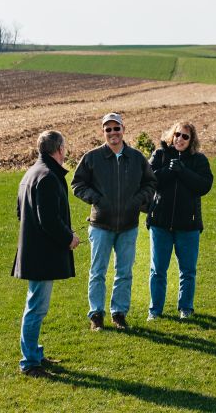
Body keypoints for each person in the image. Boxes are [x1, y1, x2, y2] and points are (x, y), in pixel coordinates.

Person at [72, 112, 156, 331]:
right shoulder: (92, 157)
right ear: (103, 132)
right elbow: (78, 184)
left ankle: (119, 313)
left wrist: (137, 201)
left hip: (128, 225)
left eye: (116, 128)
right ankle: (96, 315)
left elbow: (150, 184)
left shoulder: (137, 158)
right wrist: (97, 200)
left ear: (123, 129)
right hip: (100, 225)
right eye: (108, 129)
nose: (112, 133)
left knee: (124, 271)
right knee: (97, 271)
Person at [12, 130, 80, 377]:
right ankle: (29, 361)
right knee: (36, 307)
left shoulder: (31, 173)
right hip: (42, 255)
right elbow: (49, 221)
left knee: (36, 304)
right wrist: (69, 238)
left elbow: (21, 214)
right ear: (59, 149)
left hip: (33, 251)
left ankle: (34, 353)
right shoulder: (49, 177)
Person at [146, 121, 214, 320]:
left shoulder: (199, 160)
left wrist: (183, 171)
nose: (180, 139)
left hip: (188, 224)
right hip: (160, 222)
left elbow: (204, 185)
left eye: (185, 136)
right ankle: (155, 311)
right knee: (158, 270)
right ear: (171, 135)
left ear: (191, 140)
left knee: (188, 270)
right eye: (177, 134)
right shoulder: (160, 155)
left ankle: (185, 308)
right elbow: (150, 179)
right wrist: (169, 170)